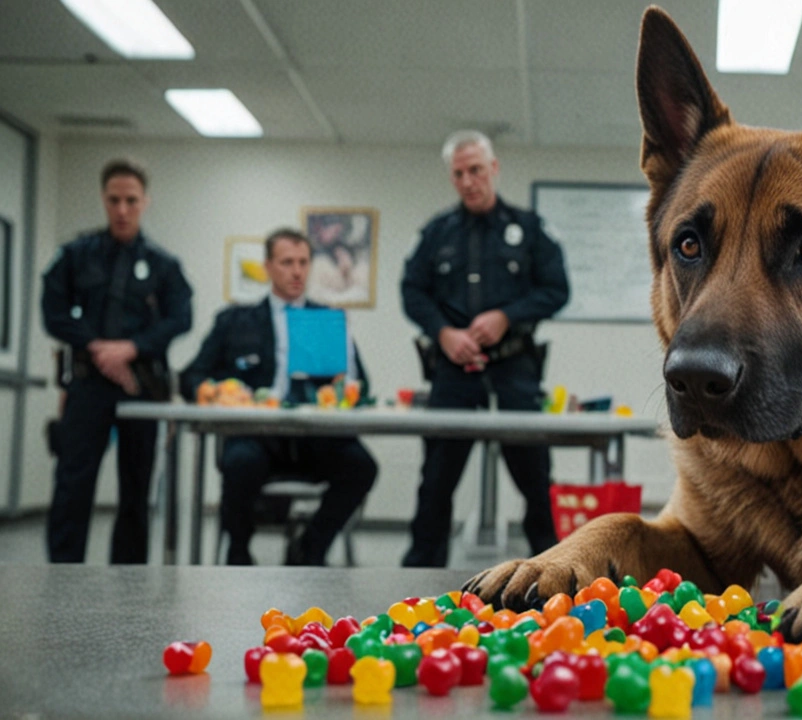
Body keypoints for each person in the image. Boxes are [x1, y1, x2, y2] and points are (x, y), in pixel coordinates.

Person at [401, 130, 570, 567]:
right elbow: (412, 290)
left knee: (536, 480)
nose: (468, 181)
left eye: (475, 170)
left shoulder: (528, 229)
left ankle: (552, 574)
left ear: (493, 168)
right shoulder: (438, 233)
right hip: (454, 372)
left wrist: (506, 316)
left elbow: (557, 289)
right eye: (458, 174)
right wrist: (443, 333)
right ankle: (420, 575)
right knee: (435, 482)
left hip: (514, 368)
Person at [179, 228, 377, 565]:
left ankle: (310, 548)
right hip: (257, 437)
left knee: (361, 467)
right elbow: (191, 376)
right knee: (239, 463)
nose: (297, 271)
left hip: (316, 438)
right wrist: (213, 392)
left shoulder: (328, 320)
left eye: (303, 262)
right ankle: (238, 552)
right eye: (287, 262)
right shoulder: (234, 321)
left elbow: (363, 386)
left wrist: (346, 386)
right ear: (268, 266)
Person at [40, 158, 193, 563]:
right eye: (114, 200)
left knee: (136, 490)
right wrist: (97, 348)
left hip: (141, 388)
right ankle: (62, 577)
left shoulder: (164, 265)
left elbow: (181, 317)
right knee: (73, 485)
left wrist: (131, 348)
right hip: (88, 386)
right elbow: (53, 312)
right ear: (103, 200)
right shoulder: (75, 255)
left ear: (145, 201)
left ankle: (129, 582)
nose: (122, 209)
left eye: (131, 200)